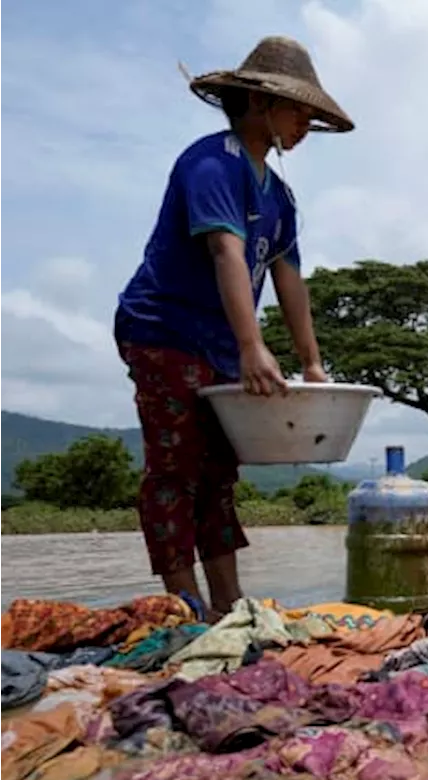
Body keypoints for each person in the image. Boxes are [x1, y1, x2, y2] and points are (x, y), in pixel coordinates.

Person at [113, 36, 354, 621]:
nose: (305, 125)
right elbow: (226, 251)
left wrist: (312, 363)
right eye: (299, 110)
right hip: (163, 329)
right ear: (257, 102)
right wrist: (252, 345)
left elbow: (289, 279)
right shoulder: (211, 162)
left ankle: (228, 602)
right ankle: (182, 606)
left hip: (220, 344)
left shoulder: (281, 197)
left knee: (220, 470)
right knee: (177, 466)